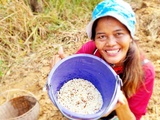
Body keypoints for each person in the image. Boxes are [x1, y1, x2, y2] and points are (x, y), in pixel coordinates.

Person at [50, 0, 155, 120]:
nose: (110, 43)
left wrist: (120, 103)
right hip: (87, 105)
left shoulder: (145, 71)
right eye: (102, 36)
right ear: (94, 39)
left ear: (130, 36)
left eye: (118, 34)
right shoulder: (90, 51)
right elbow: (74, 78)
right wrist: (62, 67)